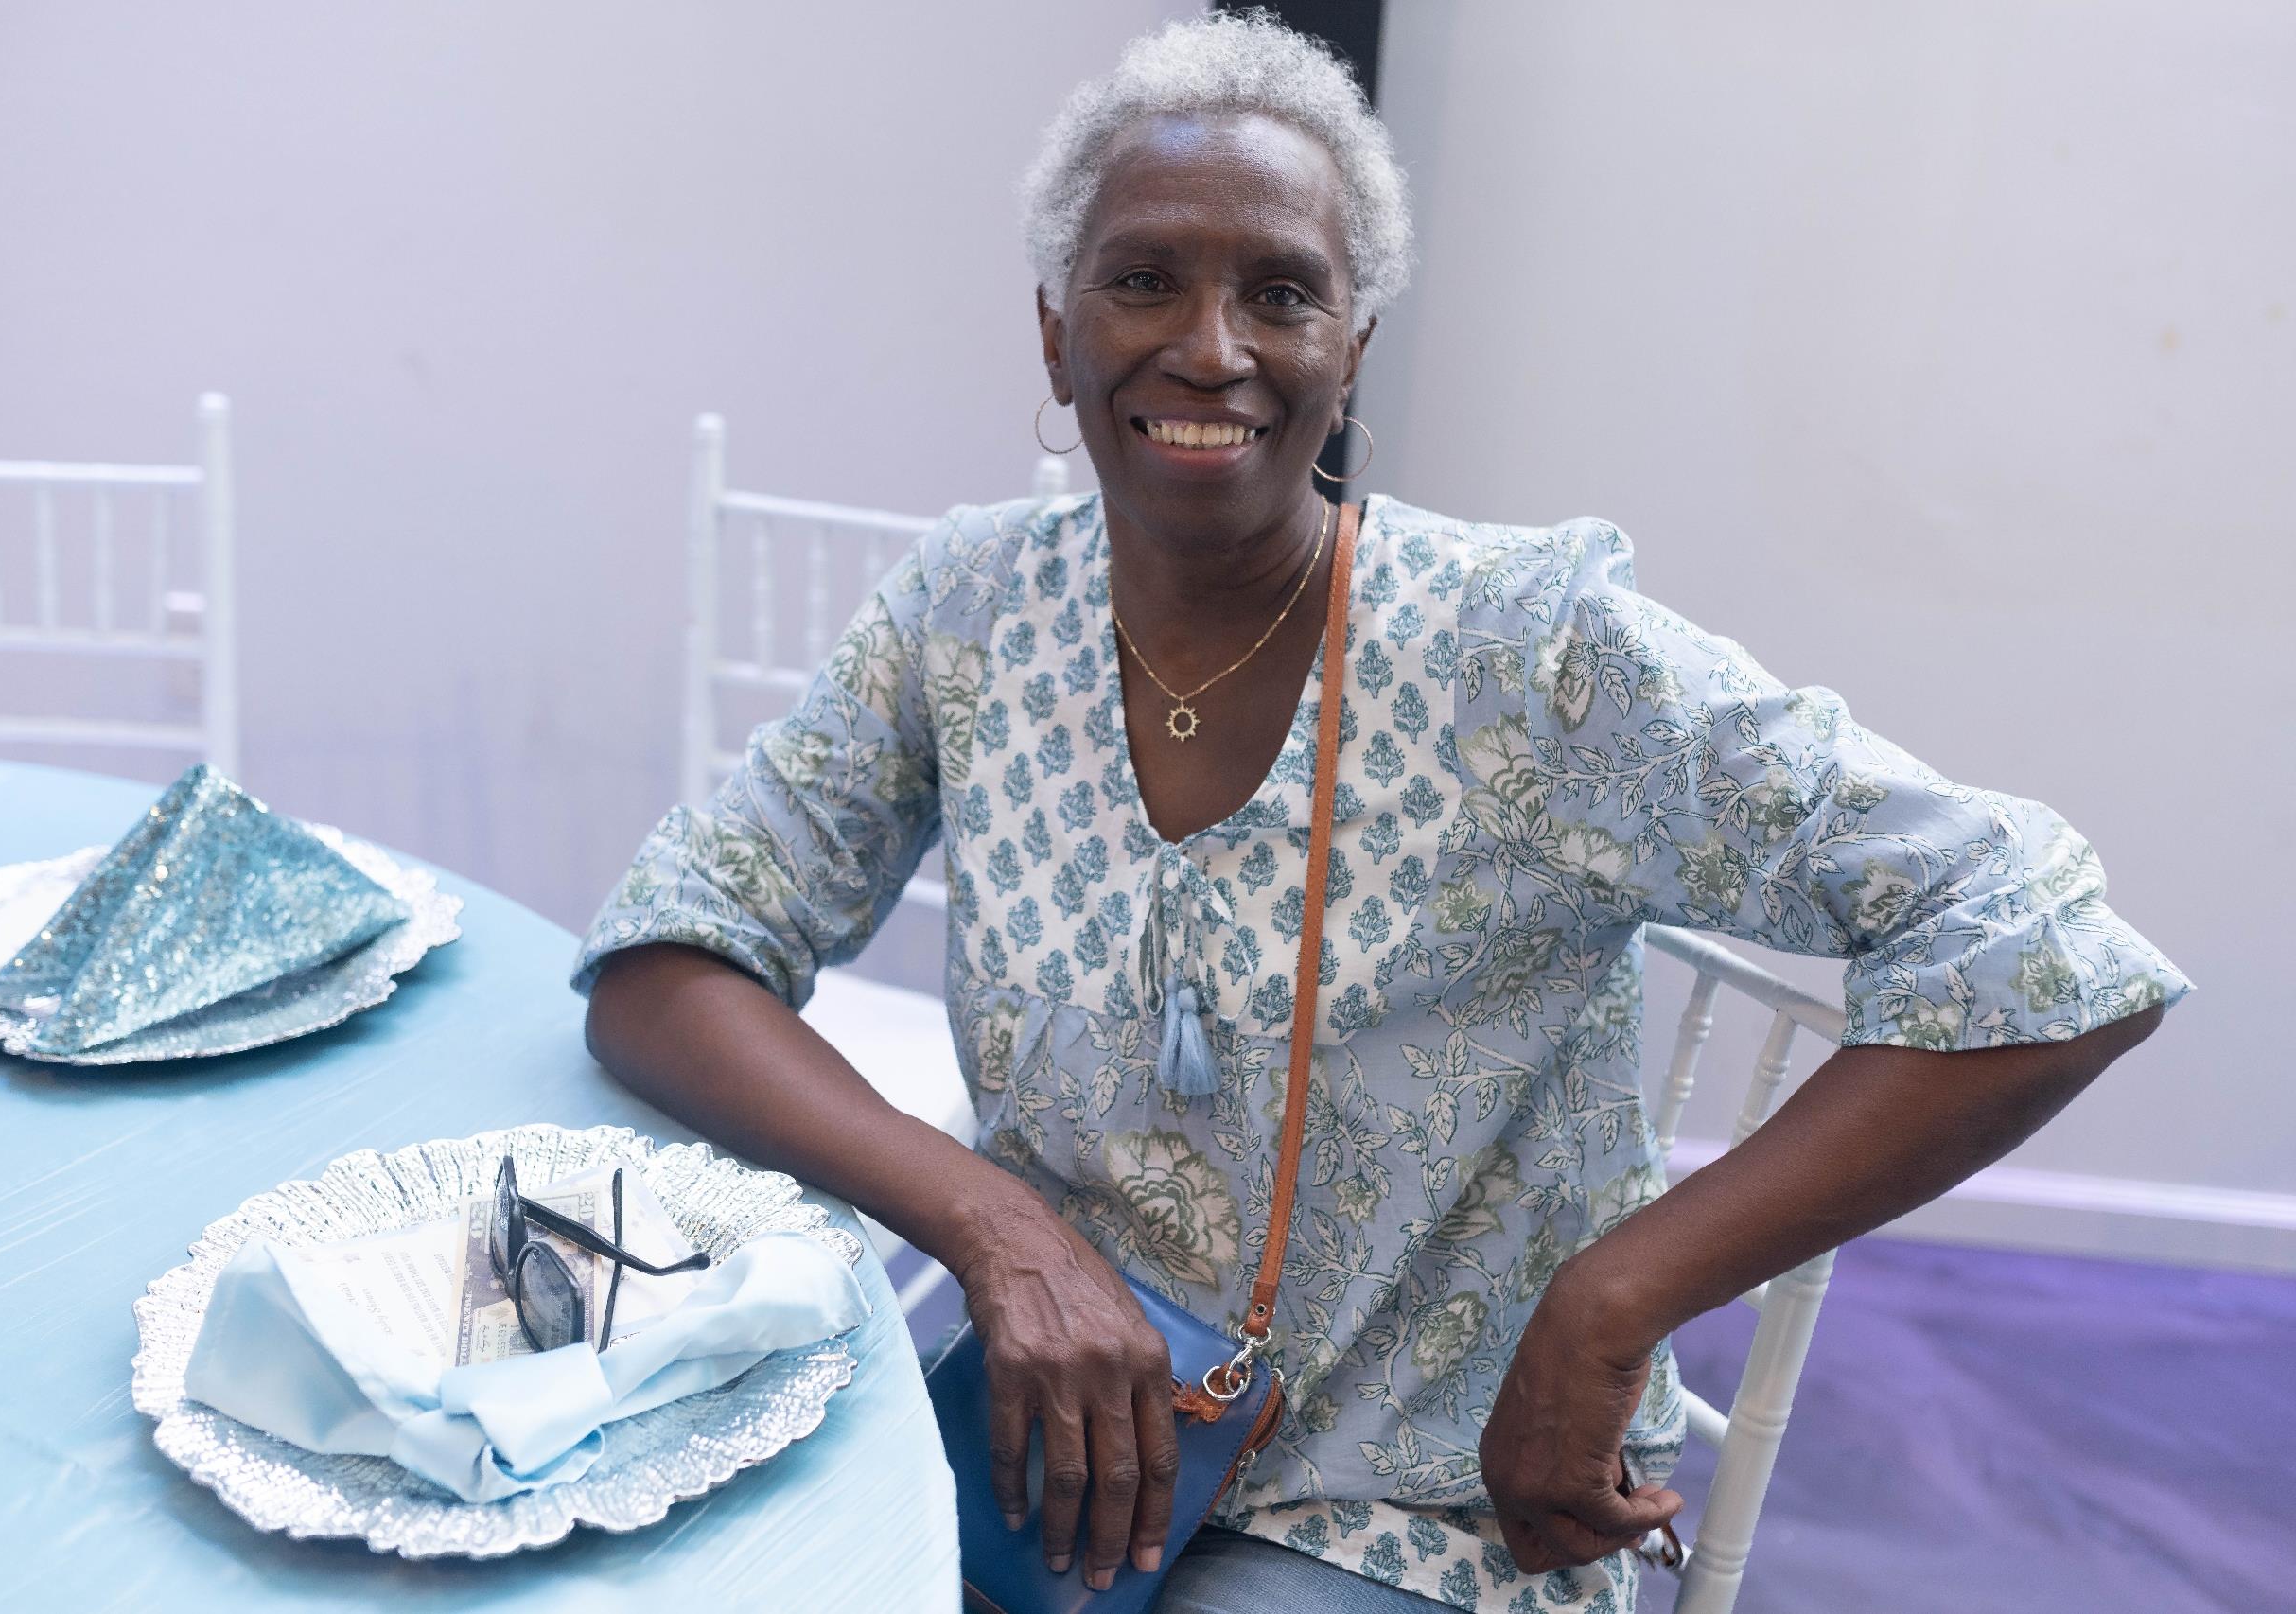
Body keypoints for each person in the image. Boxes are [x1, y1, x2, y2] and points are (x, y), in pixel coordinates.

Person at [573, 13, 2191, 1611]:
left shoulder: (1527, 655)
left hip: (1413, 1513)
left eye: (1281, 291)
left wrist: (1613, 1298)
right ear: (1055, 334)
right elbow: (665, 958)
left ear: (1352, 347)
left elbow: (2043, 938)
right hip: (1055, 1463)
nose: (1211, 346)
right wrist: (994, 1227)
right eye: (1146, 279)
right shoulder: (971, 609)